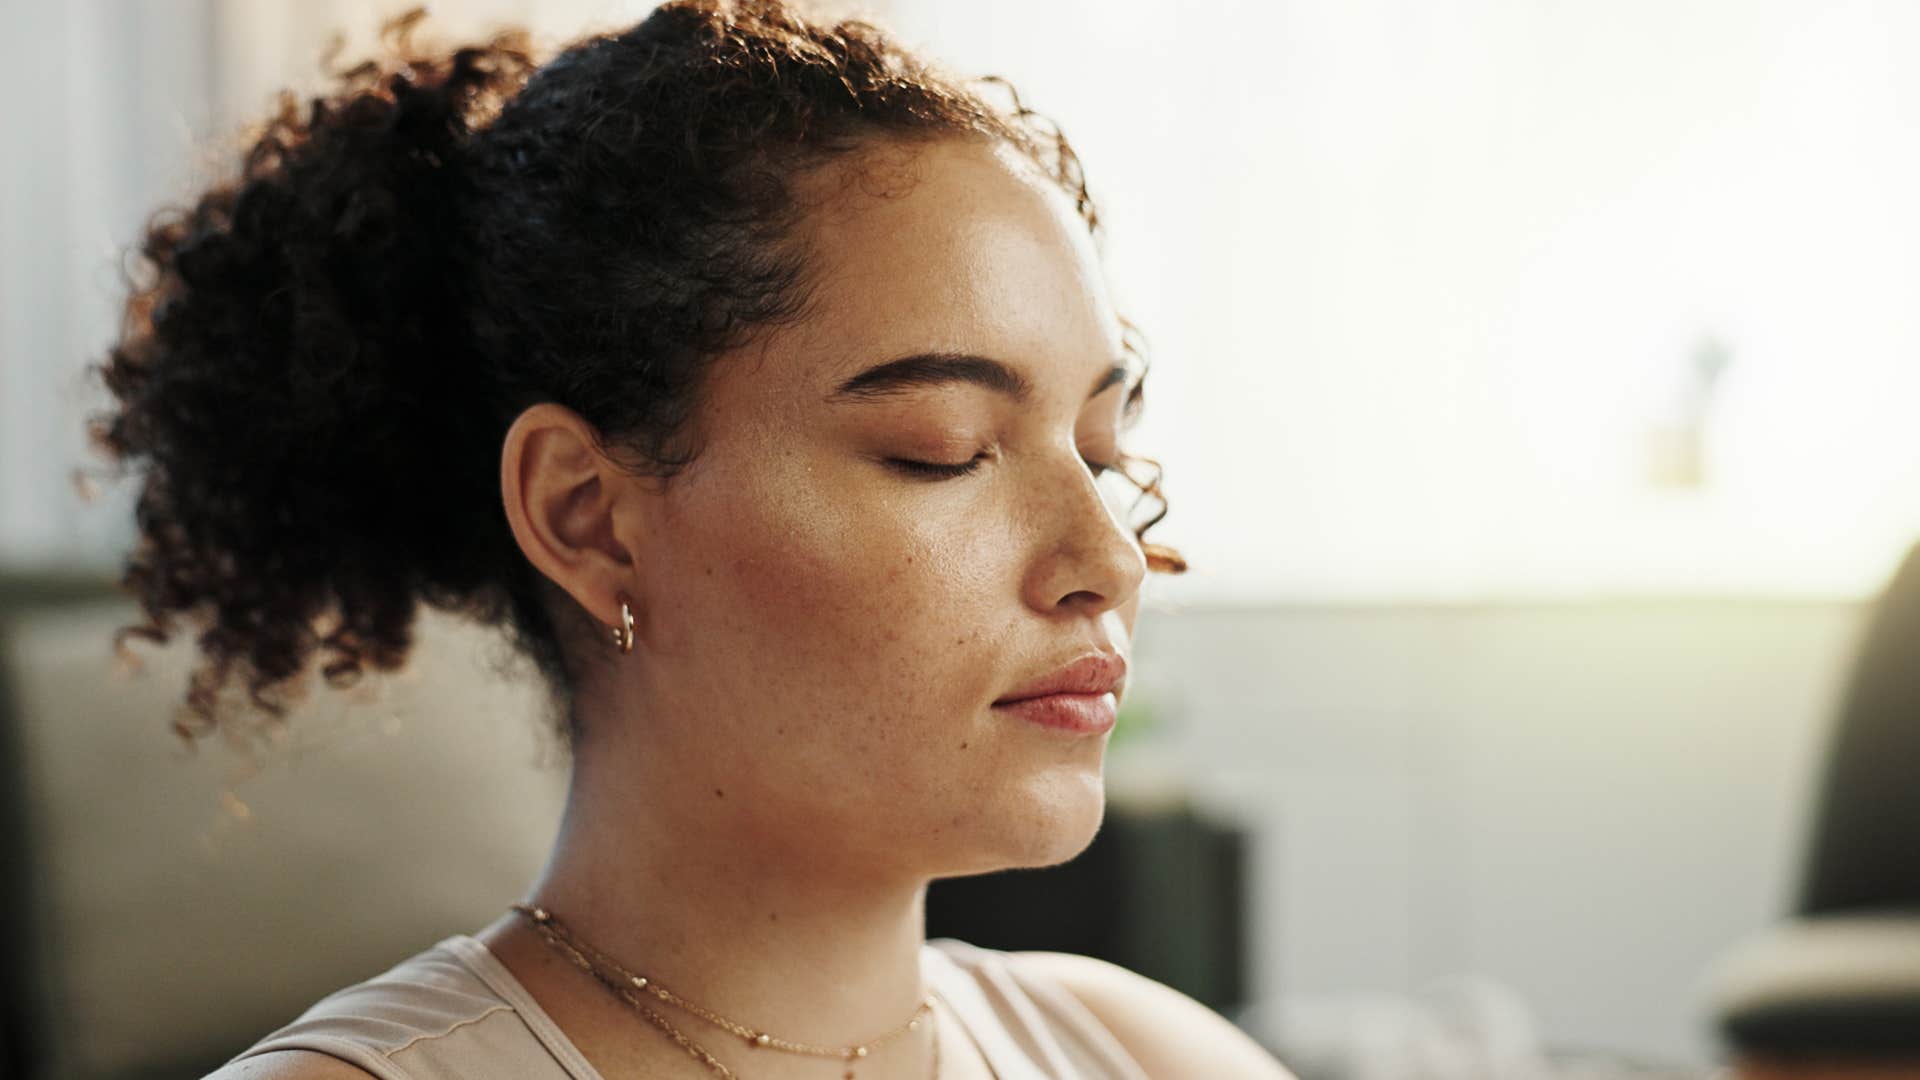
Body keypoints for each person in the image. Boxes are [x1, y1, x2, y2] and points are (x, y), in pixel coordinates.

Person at [91, 1, 1292, 1076]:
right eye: (943, 448)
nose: (1109, 558)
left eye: (1099, 452)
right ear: (588, 517)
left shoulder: (1148, 1052)